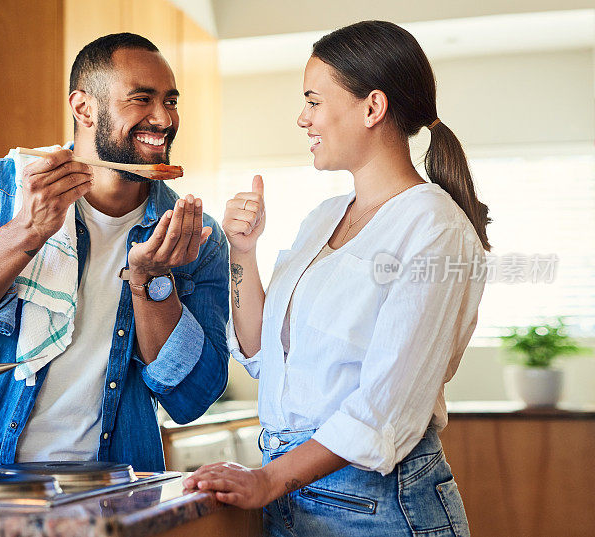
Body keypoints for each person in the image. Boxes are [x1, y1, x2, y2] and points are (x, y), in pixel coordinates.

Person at [184, 20, 489, 537]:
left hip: (378, 505)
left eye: (313, 101)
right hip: (293, 494)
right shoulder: (323, 217)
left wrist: (269, 479)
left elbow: (385, 407)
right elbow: (260, 351)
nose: (302, 119)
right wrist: (242, 251)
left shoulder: (433, 227)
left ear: (373, 107)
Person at [0, 33, 229, 471]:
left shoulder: (195, 235)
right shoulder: (3, 191)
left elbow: (195, 396)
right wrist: (27, 231)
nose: (163, 118)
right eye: (141, 99)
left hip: (116, 489)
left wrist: (151, 282)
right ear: (83, 108)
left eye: (170, 101)